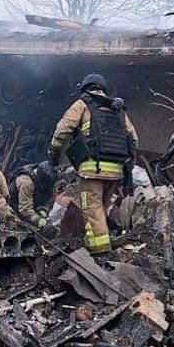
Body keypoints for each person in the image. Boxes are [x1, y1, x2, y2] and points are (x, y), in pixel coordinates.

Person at [47, 73, 138, 254]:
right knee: (100, 211)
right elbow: (133, 140)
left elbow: (62, 130)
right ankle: (94, 244)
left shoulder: (83, 104)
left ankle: (101, 254)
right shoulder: (118, 109)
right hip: (116, 172)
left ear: (86, 88)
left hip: (92, 170)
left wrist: (53, 153)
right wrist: (129, 169)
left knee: (92, 210)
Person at [10, 161, 57, 226]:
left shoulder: (48, 177)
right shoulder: (26, 183)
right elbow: (25, 210)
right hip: (16, 207)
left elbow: (51, 196)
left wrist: (44, 209)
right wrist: (39, 220)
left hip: (32, 203)